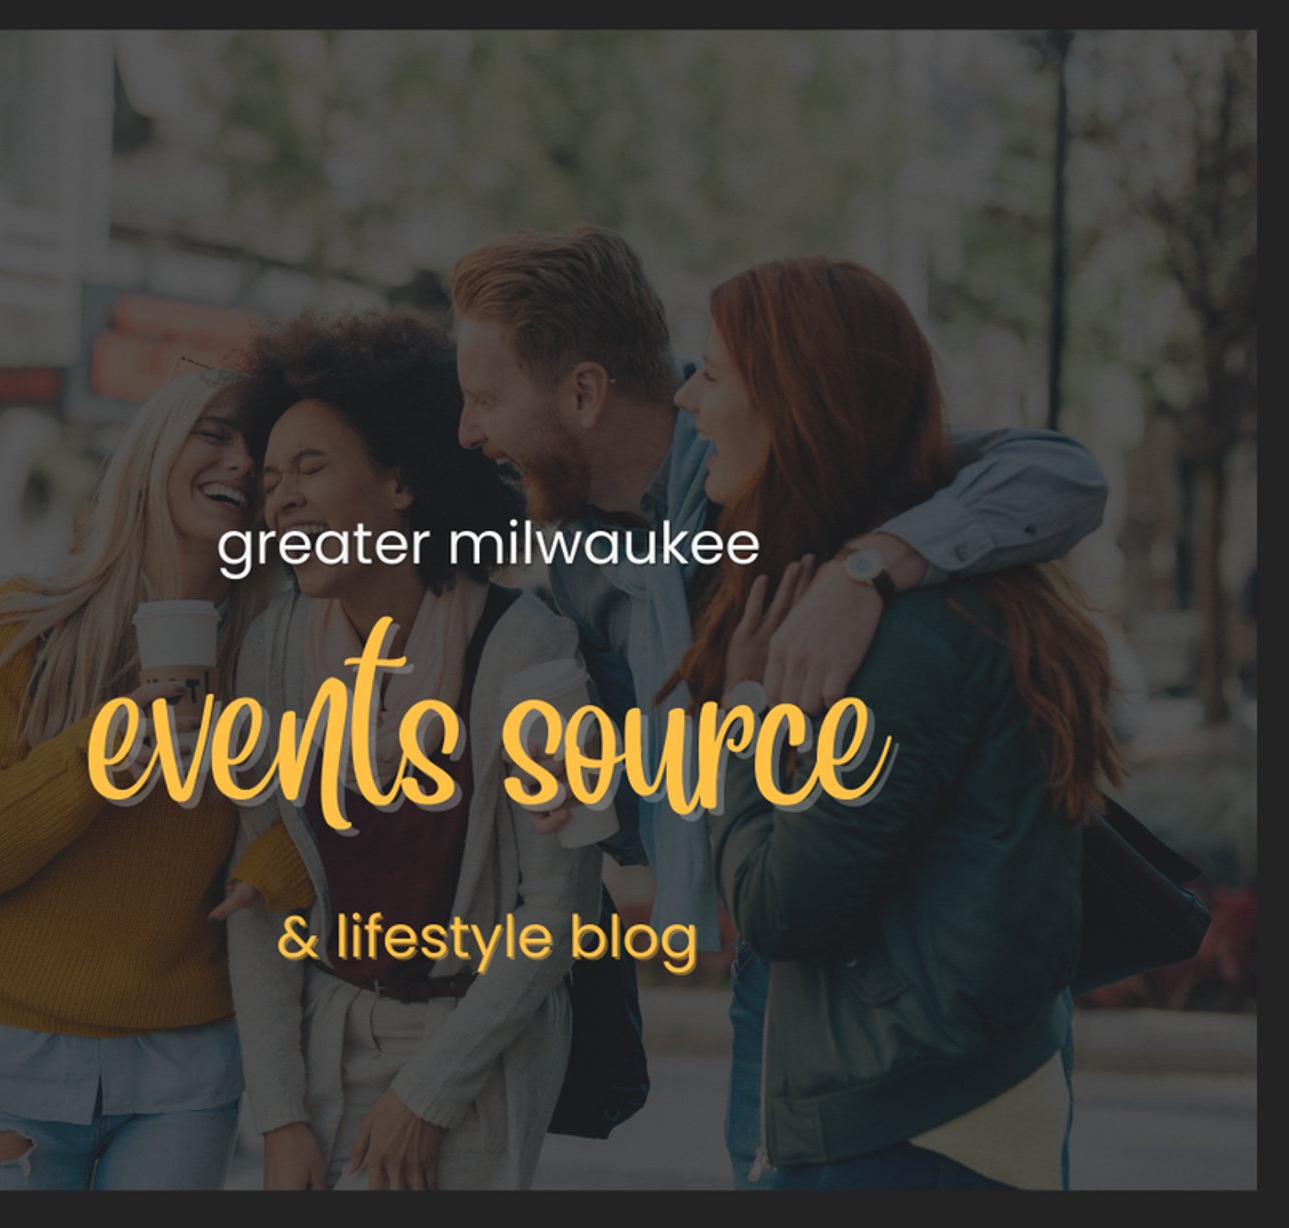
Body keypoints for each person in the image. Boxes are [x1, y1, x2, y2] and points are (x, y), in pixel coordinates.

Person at [448, 224, 1109, 1186]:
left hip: (900, 992)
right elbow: (684, 775)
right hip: (783, 958)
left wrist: (869, 569)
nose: (471, 433)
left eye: (483, 400)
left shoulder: (789, 471)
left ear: (584, 393)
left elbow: (1062, 474)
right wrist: (601, 784)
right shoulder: (584, 556)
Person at [675, 256, 1117, 1188]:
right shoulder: (886, 596)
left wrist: (744, 722)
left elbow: (776, 906)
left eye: (712, 375)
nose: (689, 401)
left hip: (912, 1130)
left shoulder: (905, 636)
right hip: (927, 1108)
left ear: (795, 406)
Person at [221, 311, 604, 1190]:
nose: (279, 498)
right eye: (272, 479)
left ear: (400, 483)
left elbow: (556, 919)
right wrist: (279, 1116)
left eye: (310, 468)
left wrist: (425, 1096)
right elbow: (260, 887)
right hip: (325, 1035)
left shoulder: (524, 649)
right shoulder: (275, 649)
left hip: (471, 1052)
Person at [0, 368, 296, 1190]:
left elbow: (319, 823)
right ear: (155, 447)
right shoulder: (26, 622)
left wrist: (281, 865)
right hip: (14, 1060)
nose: (240, 462)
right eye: (216, 434)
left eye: (261, 451)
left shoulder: (279, 651)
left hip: (187, 1066)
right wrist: (109, 748)